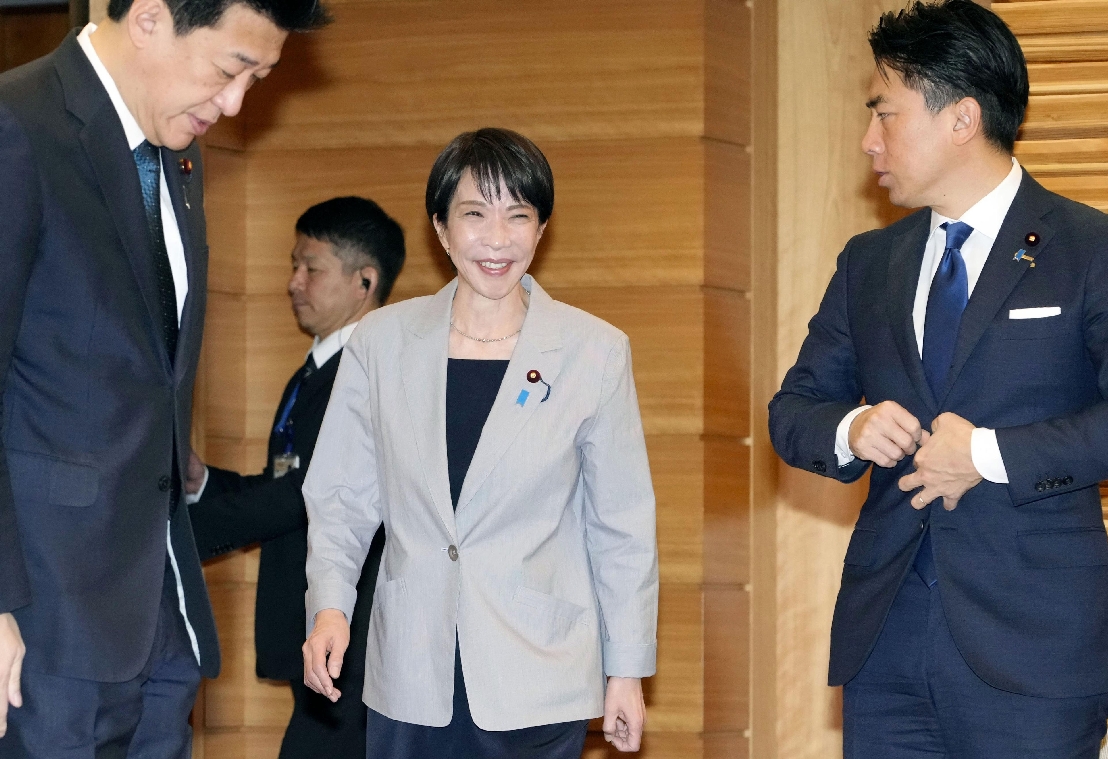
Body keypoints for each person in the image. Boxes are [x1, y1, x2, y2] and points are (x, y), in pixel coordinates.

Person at [769, 1, 1108, 755]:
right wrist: (852, 427)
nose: (869, 140)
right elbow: (793, 409)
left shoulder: (1095, 249)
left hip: (1035, 651)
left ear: (962, 118)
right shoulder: (869, 263)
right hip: (886, 649)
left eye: (885, 114)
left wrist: (986, 455)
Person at [0, 0, 328, 753]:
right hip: (43, 612)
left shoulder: (175, 154)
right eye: (230, 69)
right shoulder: (18, 127)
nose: (236, 103)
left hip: (157, 612)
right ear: (149, 18)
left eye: (257, 79)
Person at [300, 128, 659, 758]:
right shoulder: (380, 343)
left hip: (539, 673)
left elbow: (621, 525)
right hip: (410, 671)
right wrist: (330, 608)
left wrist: (625, 671)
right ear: (441, 228)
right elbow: (341, 500)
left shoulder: (593, 351)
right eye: (474, 215)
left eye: (518, 216)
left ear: (541, 229)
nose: (498, 239)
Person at [185, 196, 405, 759]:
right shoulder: (316, 371)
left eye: (312, 268)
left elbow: (305, 496)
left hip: (353, 634)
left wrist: (182, 530)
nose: (293, 282)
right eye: (293, 265)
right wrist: (201, 482)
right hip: (317, 634)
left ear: (364, 281)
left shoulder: (368, 374)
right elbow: (288, 481)